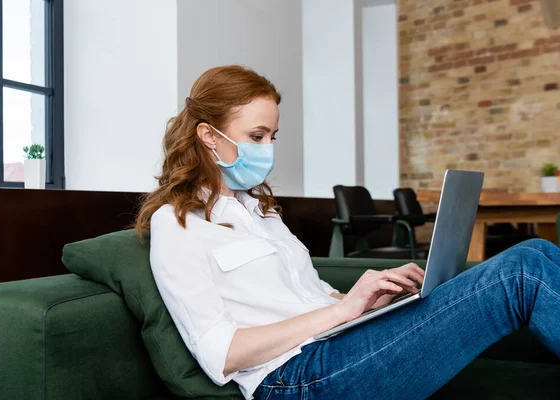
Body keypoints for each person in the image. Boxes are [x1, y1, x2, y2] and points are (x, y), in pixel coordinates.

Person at [135, 65, 560, 400]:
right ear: (208, 136)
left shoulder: (260, 212)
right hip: (296, 379)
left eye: (272, 136)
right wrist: (342, 312)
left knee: (539, 251)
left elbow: (309, 297)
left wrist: (368, 300)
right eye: (256, 136)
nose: (267, 150)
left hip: (339, 344)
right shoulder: (176, 223)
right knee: (520, 271)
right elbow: (220, 354)